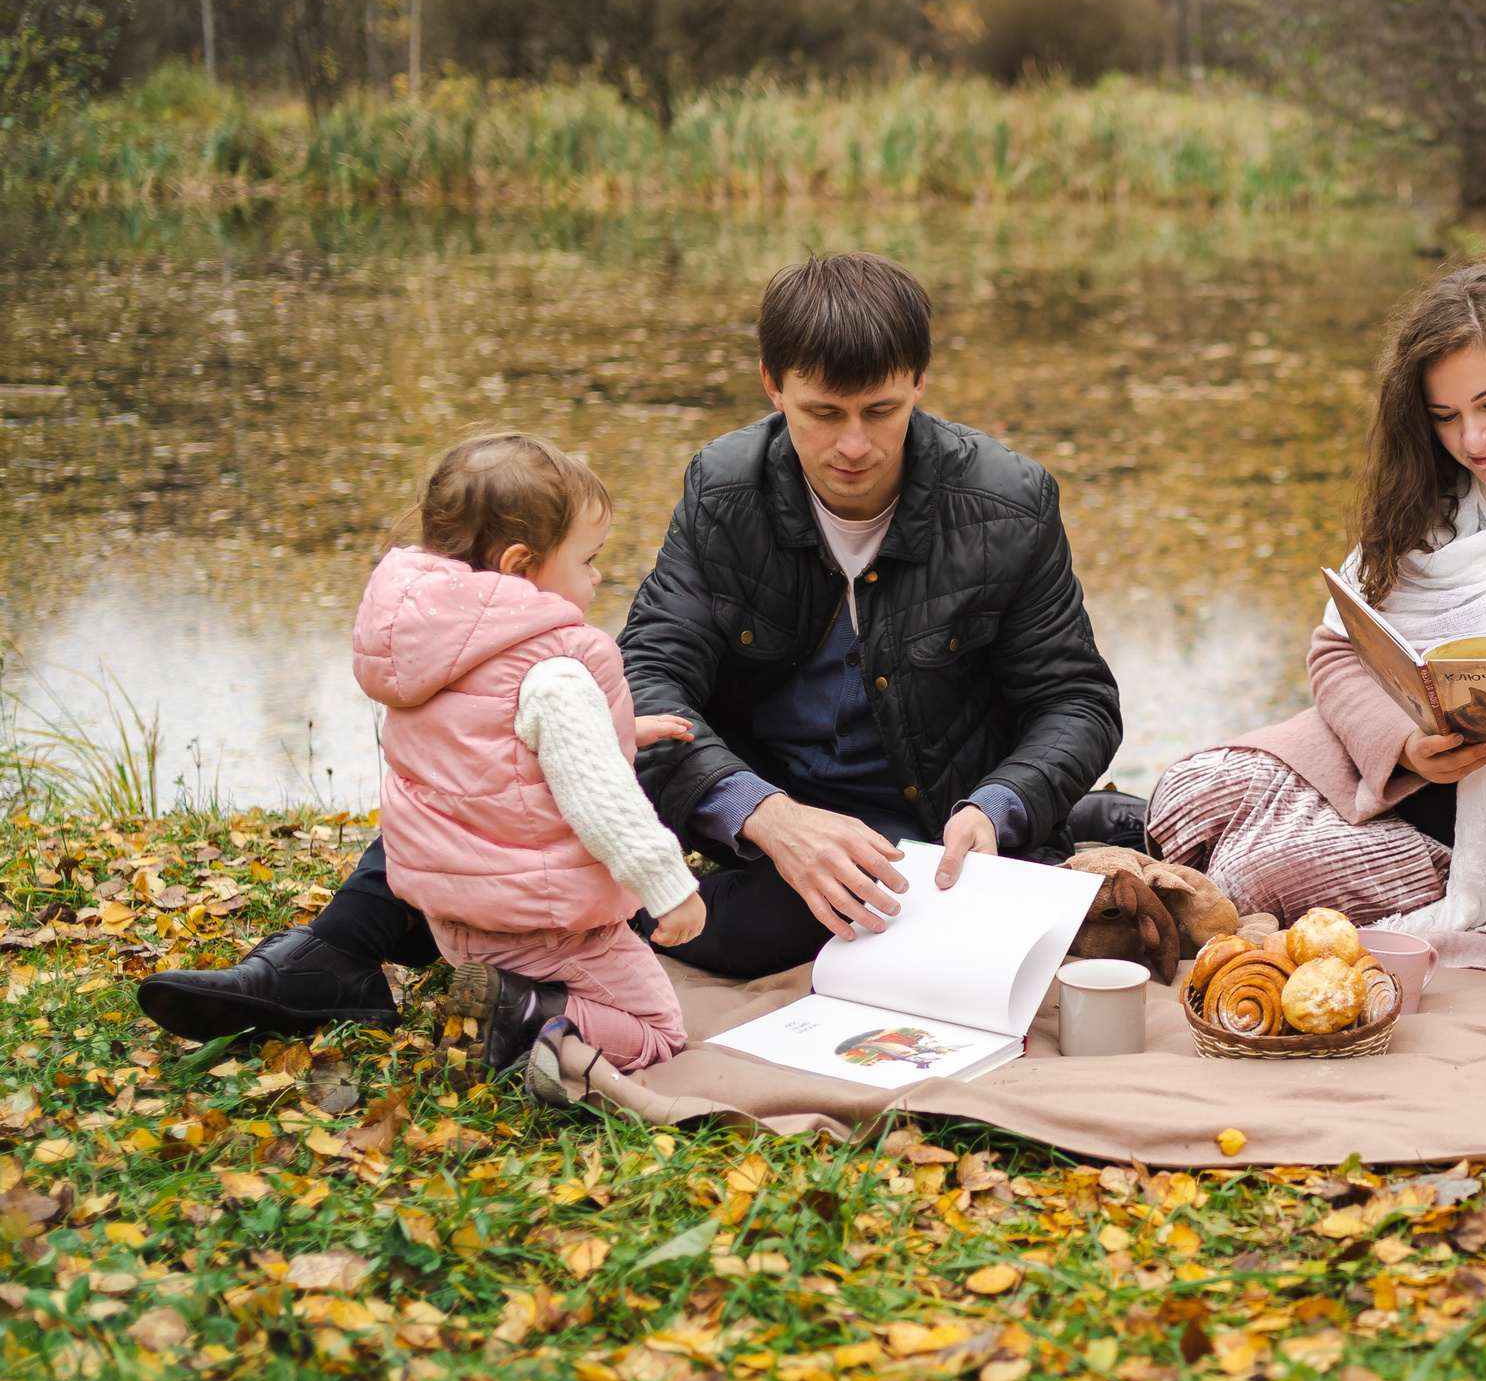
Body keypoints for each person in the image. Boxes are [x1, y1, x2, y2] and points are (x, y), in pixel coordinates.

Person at [138, 253, 1129, 1042]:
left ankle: (534, 948)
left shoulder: (1008, 499)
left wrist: (993, 810)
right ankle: (334, 955)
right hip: (734, 790)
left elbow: (1077, 700)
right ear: (772, 384)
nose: (855, 445)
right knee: (505, 768)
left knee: (739, 934)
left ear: (919, 382)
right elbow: (651, 666)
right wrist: (765, 811)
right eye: (823, 413)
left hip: (907, 824)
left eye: (882, 411)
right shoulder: (727, 484)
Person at [1148, 265, 1486, 969]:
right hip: (1397, 770)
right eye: (1445, 418)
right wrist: (1404, 746)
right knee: (1185, 795)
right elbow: (1335, 648)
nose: (1473, 439)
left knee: (1259, 876)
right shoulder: (1436, 509)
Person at [353, 433, 703, 1088]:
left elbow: (497, 741)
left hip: (455, 917)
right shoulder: (553, 669)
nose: (598, 577)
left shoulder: (429, 648)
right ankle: (523, 1012)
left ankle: (496, 1001)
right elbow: (600, 797)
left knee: (522, 976)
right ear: (520, 565)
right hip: (542, 921)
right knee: (658, 1028)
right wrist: (669, 887)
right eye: (589, 560)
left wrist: (619, 727)